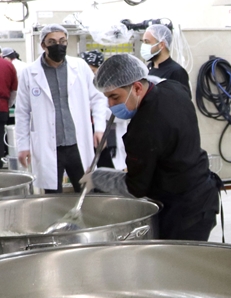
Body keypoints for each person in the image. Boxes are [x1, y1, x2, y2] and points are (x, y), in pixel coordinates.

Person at [86, 54, 220, 240]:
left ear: (137, 87)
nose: (110, 105)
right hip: (204, 194)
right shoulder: (173, 88)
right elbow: (167, 146)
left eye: (114, 97)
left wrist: (98, 177)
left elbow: (136, 188)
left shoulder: (143, 127)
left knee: (177, 265)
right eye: (107, 98)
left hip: (183, 211)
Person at [15, 25, 108, 192]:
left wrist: (100, 128)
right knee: (52, 196)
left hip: (76, 144)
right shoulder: (29, 73)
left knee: (86, 193)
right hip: (48, 145)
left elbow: (98, 97)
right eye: (52, 42)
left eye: (62, 41)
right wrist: (23, 145)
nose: (58, 45)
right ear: (43, 45)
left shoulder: (80, 66)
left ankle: (86, 219)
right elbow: (22, 112)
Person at [142, 24, 189, 88]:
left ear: (161, 45)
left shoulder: (176, 72)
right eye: (143, 42)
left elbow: (182, 97)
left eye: (147, 42)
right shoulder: (149, 67)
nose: (143, 46)